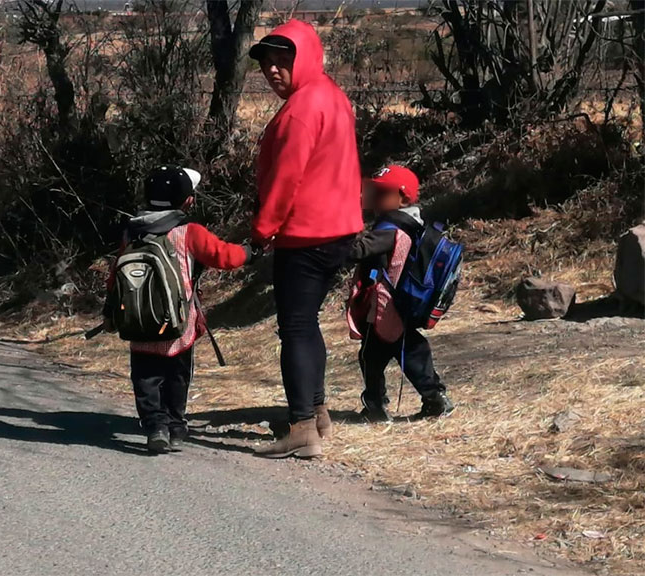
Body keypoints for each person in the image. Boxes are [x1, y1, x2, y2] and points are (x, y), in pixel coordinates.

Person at [248, 21, 364, 459]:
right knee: (307, 323)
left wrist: (262, 230)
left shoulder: (300, 109)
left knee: (295, 327)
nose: (274, 70)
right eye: (267, 64)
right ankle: (317, 414)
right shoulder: (332, 95)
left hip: (305, 233)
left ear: (306, 57)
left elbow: (286, 178)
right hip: (340, 228)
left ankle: (300, 428)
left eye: (283, 61)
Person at [104, 165, 254, 453]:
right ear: (187, 201)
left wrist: (110, 312)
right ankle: (175, 425)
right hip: (178, 325)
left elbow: (115, 275)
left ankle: (155, 426)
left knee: (145, 377)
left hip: (139, 322)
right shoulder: (190, 232)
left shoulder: (131, 231)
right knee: (177, 375)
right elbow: (226, 257)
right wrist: (250, 251)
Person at [346, 165, 455, 421]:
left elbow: (357, 251)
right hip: (402, 304)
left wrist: (340, 232)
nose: (374, 197)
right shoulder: (411, 224)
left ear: (403, 198)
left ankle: (377, 405)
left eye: (382, 193)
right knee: (409, 353)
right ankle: (434, 399)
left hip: (386, 308)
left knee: (373, 357)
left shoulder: (390, 230)